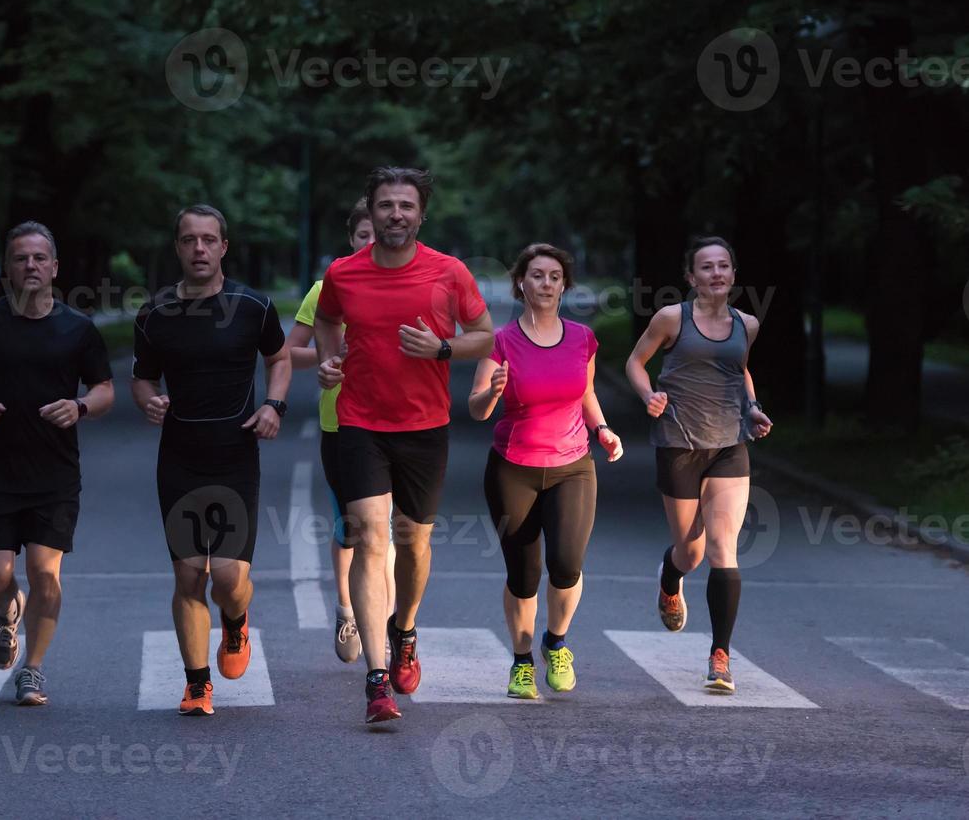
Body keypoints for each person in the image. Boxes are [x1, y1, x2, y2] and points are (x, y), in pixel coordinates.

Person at [314, 166, 495, 724]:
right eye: (386, 205)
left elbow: (488, 335)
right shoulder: (344, 273)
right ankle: (375, 679)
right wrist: (329, 360)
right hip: (359, 423)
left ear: (421, 213)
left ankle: (405, 627)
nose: (396, 214)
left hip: (423, 426)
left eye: (406, 206)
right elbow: (326, 321)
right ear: (371, 210)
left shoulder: (448, 272)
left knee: (412, 542)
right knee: (370, 540)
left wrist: (442, 349)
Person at [0, 221, 115, 707]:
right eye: (21, 258)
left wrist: (79, 407)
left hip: (55, 474)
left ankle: (32, 669)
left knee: (45, 571)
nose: (31, 266)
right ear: (7, 270)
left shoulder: (77, 329)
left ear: (55, 268)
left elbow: (105, 390)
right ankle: (7, 608)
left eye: (40, 258)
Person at [131, 204, 292, 716]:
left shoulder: (253, 306)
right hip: (179, 460)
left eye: (208, 240)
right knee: (187, 578)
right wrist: (148, 399)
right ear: (177, 247)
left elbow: (280, 359)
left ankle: (237, 621)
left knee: (228, 580)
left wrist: (273, 404)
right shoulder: (155, 313)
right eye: (188, 240)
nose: (198, 249)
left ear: (223, 247)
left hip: (234, 458)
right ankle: (197, 683)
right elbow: (142, 376)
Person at [468, 243, 623, 700]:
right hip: (513, 469)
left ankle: (556, 643)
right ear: (521, 283)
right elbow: (476, 409)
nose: (547, 284)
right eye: (537, 275)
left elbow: (586, 393)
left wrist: (603, 429)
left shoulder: (582, 338)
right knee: (523, 574)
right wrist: (492, 392)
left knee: (566, 563)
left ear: (564, 285)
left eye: (555, 276)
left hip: (572, 466)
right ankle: (520, 662)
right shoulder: (499, 342)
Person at [624, 235, 773, 693]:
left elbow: (740, 371)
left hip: (729, 443)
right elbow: (635, 361)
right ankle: (671, 578)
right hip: (678, 443)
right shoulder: (672, 318)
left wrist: (752, 407)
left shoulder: (746, 324)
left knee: (722, 549)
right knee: (690, 552)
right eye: (706, 267)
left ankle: (719, 656)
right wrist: (649, 395)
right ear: (691, 277)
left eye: (723, 266)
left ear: (733, 274)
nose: (716, 274)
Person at [289, 198, 394, 663]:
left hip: (399, 422)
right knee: (351, 529)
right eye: (362, 236)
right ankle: (347, 606)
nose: (371, 244)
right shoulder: (325, 289)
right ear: (351, 240)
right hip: (343, 423)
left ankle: (386, 623)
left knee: (387, 531)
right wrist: (332, 357)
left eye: (379, 235)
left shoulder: (407, 288)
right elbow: (290, 352)